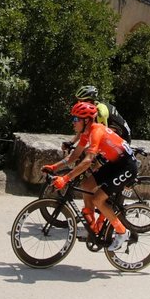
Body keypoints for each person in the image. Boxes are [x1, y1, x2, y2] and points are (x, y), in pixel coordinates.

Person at [42, 101, 136, 252]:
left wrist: (65, 179)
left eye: (75, 119)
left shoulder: (96, 131)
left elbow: (87, 161)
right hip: (114, 163)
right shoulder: (87, 132)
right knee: (86, 185)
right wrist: (54, 167)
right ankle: (93, 227)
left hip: (126, 167)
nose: (73, 123)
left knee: (97, 199)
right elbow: (75, 155)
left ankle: (121, 231)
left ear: (86, 120)